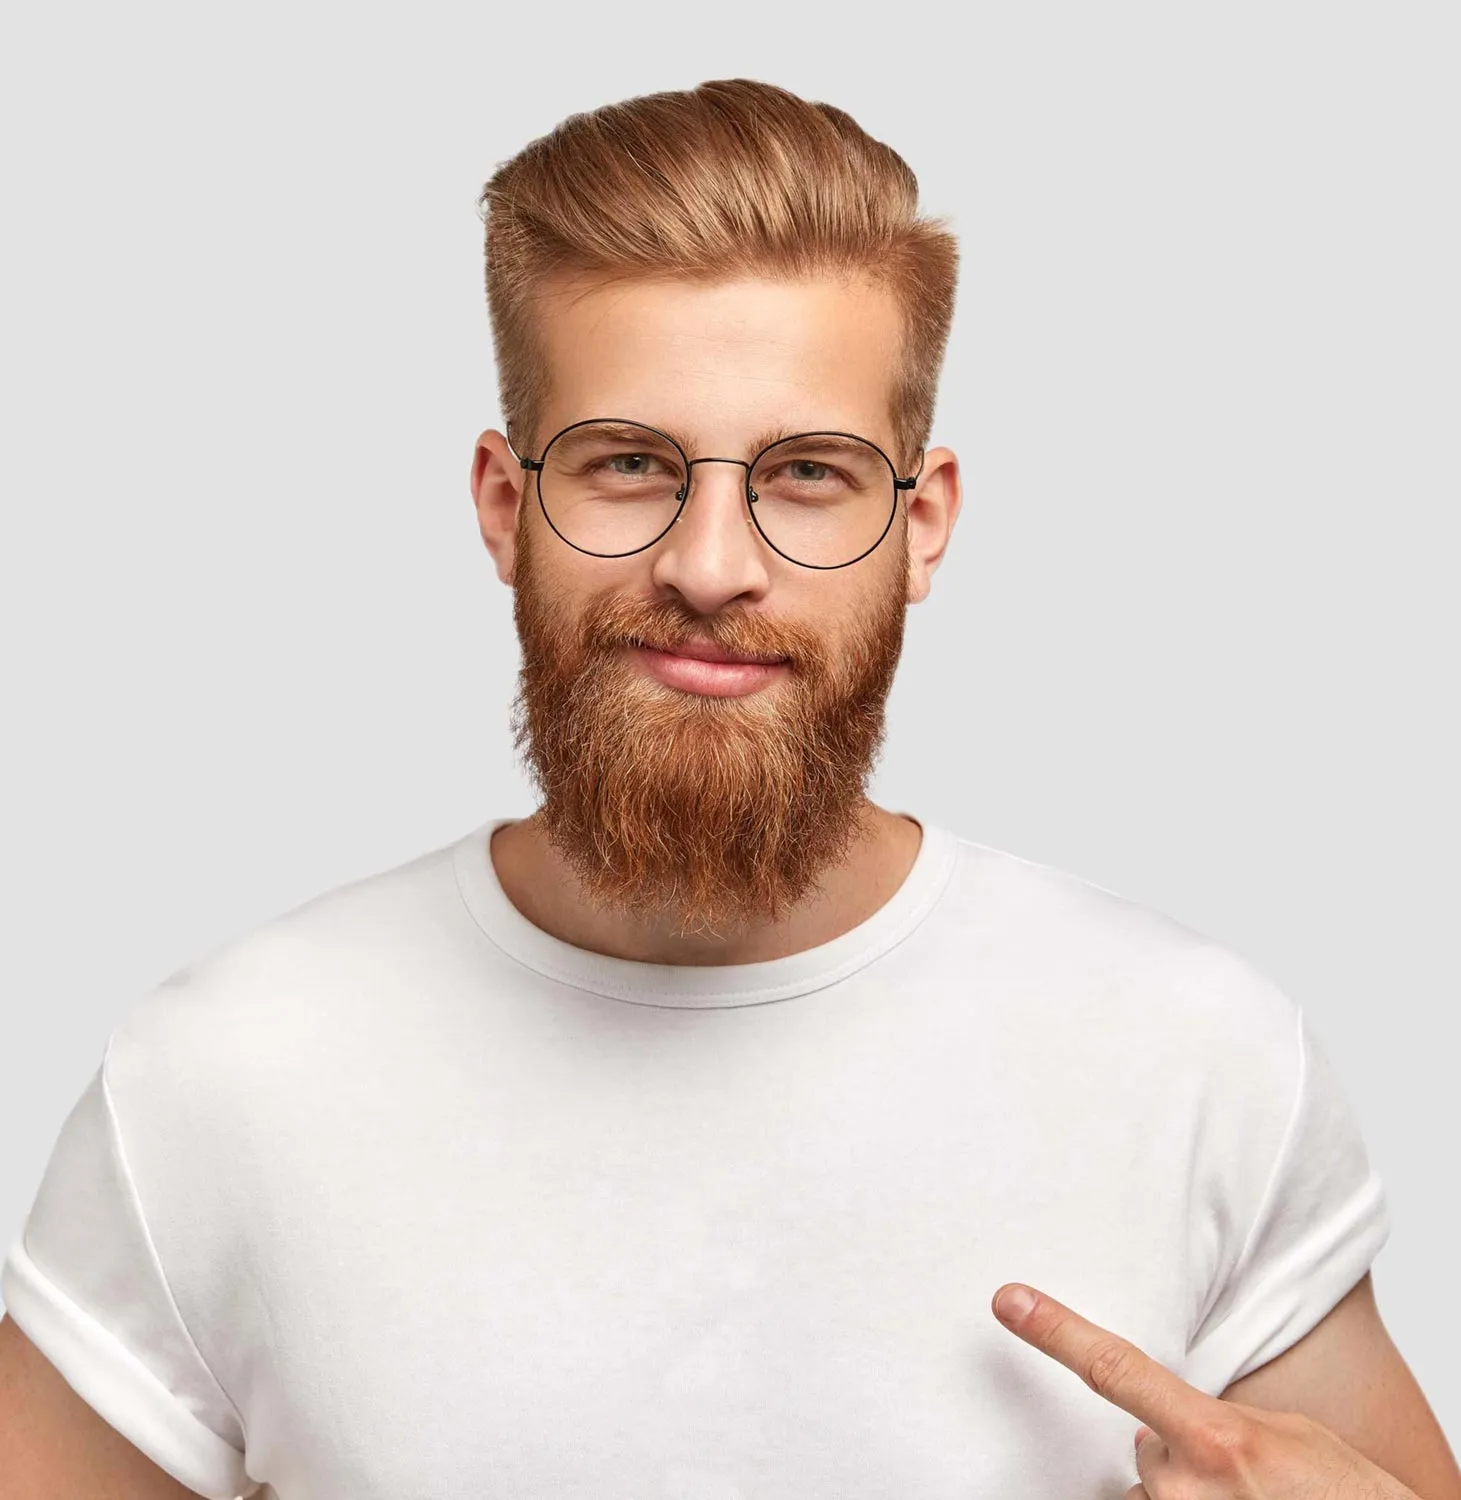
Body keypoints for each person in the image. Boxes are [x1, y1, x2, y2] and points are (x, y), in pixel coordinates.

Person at [1, 78, 1456, 1500]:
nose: (709, 566)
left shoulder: (1201, 1060)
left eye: (809, 473)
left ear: (921, 525)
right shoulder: (221, 1075)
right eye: (629, 463)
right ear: (507, 508)